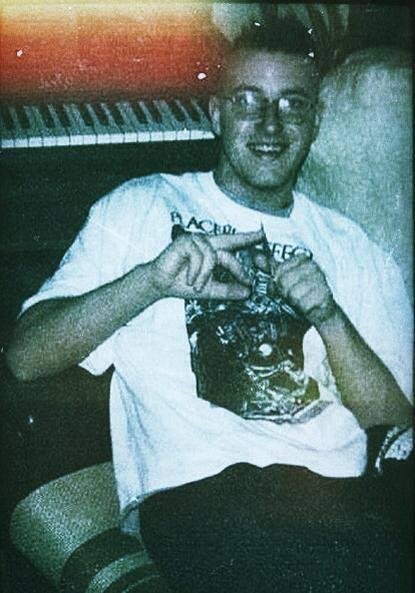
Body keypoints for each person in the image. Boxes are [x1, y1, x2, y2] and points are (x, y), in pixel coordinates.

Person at [6, 17, 413, 593]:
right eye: (248, 101)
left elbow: (395, 426)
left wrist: (330, 318)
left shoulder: (354, 249)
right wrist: (150, 282)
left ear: (315, 121)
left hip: (344, 502)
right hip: (205, 498)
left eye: (292, 105)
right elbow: (26, 357)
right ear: (216, 113)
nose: (270, 124)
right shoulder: (141, 207)